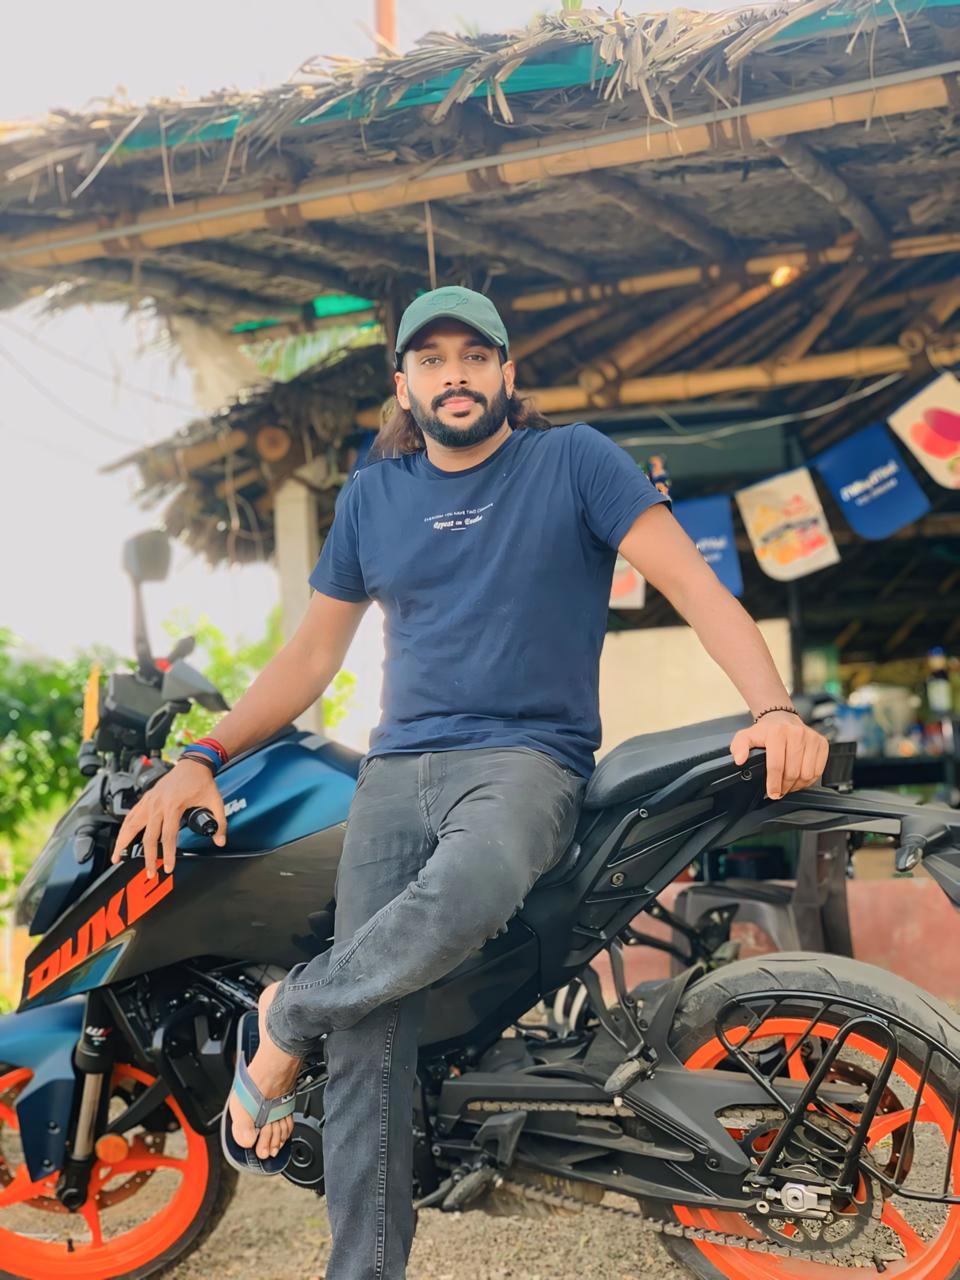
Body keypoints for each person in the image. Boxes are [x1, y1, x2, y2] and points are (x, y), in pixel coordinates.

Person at [112, 286, 830, 1280]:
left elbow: (694, 584)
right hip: (394, 773)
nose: (455, 374)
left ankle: (287, 1013)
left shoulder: (574, 461)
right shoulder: (372, 497)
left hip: (526, 762)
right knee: (369, 1036)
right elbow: (310, 657)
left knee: (475, 883)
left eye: (474, 355)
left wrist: (774, 705)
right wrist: (200, 757)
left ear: (506, 373)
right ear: (405, 384)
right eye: (433, 359)